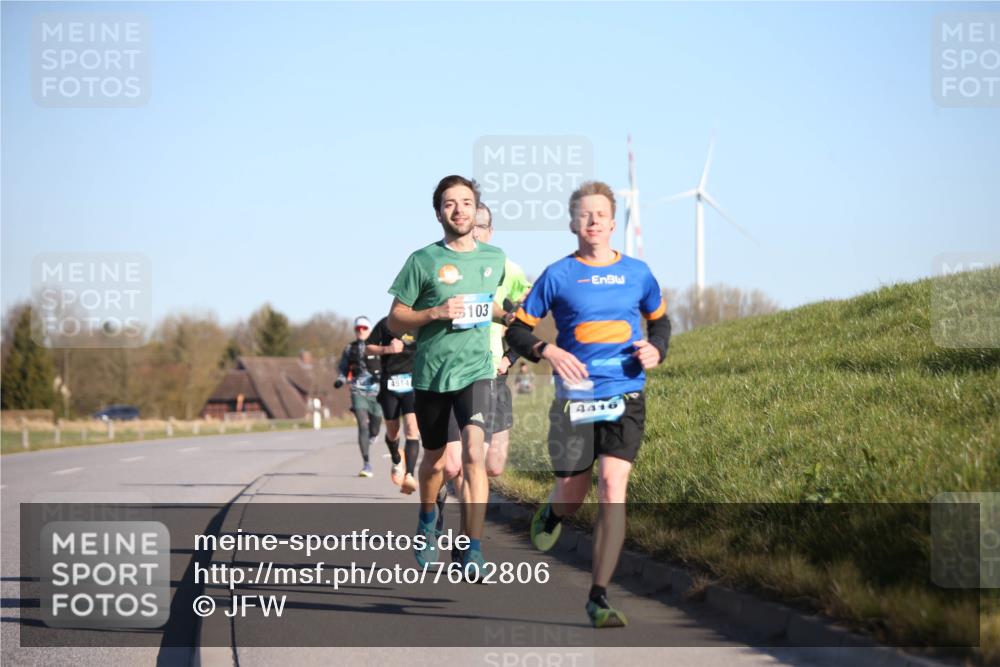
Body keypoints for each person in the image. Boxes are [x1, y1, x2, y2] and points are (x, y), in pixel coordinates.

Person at [506, 181, 670, 627]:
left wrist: (657, 349)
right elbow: (517, 331)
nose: (594, 220)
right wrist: (549, 351)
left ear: (614, 223)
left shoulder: (639, 273)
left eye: (601, 214)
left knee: (613, 487)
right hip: (575, 399)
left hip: (625, 393)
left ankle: (598, 596)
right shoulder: (557, 274)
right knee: (573, 496)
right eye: (585, 214)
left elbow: (661, 323)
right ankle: (553, 509)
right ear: (572, 223)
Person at [387, 175, 505, 573]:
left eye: (467, 202)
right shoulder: (422, 260)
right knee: (436, 462)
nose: (460, 210)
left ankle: (473, 549)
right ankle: (425, 520)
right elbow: (395, 318)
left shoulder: (495, 259)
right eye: (451, 203)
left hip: (478, 371)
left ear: (476, 209)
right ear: (439, 212)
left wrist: (518, 317)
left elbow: (490, 307)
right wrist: (433, 314)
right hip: (433, 374)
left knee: (475, 454)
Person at [365, 316, 420, 494]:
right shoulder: (386, 323)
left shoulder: (420, 322)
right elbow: (368, 348)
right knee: (392, 431)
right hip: (389, 381)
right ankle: (397, 459)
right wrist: (387, 348)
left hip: (413, 382)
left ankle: (410, 475)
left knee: (412, 429)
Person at [335, 316, 383, 477]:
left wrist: (382, 377)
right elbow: (343, 368)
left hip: (377, 393)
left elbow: (389, 365)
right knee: (362, 425)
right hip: (358, 391)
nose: (360, 331)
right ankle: (366, 464)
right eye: (358, 329)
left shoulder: (379, 345)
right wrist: (340, 380)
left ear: (369, 329)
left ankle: (374, 434)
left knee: (375, 427)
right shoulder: (350, 348)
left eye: (364, 328)